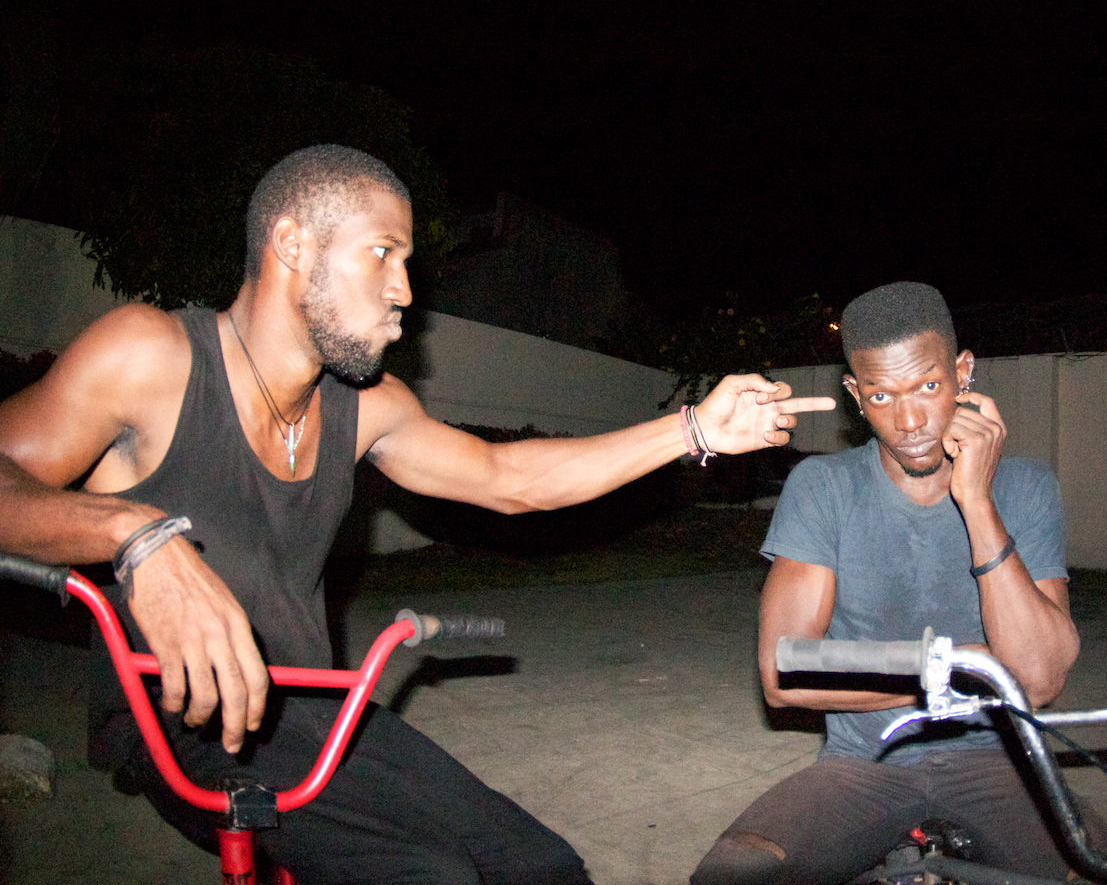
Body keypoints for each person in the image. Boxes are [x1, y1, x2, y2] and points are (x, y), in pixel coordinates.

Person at [0, 144, 834, 885]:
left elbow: (509, 478)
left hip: (311, 703)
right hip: (179, 720)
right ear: (293, 246)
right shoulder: (150, 356)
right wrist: (132, 534)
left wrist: (693, 430)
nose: (405, 290)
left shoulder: (366, 406)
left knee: (541, 864)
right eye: (383, 254)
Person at [691, 281, 1081, 884]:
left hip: (999, 761)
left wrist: (977, 502)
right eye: (880, 395)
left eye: (928, 386)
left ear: (963, 373)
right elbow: (785, 672)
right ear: (855, 395)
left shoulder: (1027, 488)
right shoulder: (823, 488)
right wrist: (965, 664)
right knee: (731, 877)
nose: (909, 420)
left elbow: (1039, 676)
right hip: (864, 763)